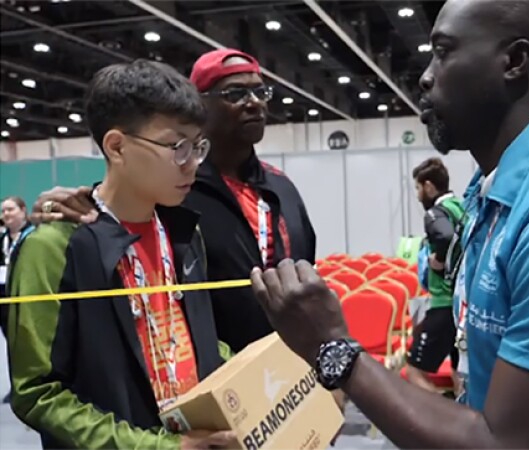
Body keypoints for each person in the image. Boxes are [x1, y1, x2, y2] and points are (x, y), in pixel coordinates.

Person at [249, 1, 529, 448]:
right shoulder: (494, 193)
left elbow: (511, 444)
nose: (425, 76)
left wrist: (336, 350)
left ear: (514, 62)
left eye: (443, 51)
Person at [5, 60, 236, 449]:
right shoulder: (53, 247)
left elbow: (192, 337)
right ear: (116, 146)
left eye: (198, 146)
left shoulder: (184, 233)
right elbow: (37, 393)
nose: (193, 163)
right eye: (177, 146)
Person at [29, 49, 317, 354]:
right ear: (201, 103)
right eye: (235, 93)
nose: (254, 102)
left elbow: (308, 272)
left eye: (260, 92)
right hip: (212, 376)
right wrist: (65, 207)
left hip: (288, 362)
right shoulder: (171, 193)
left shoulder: (282, 188)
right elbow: (119, 198)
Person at [406, 157, 464, 393]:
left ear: (429, 186)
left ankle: (442, 420)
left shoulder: (435, 214)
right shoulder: (461, 207)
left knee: (413, 371)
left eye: (419, 188)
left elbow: (446, 237)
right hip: (461, 306)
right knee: (458, 372)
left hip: (443, 304)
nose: (418, 195)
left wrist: (440, 261)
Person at [0, 196, 35, 404]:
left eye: (10, 210)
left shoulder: (32, 236)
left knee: (26, 345)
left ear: (23, 211)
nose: (6, 214)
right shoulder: (3, 239)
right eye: (4, 211)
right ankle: (16, 386)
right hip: (4, 300)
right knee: (11, 345)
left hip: (24, 298)